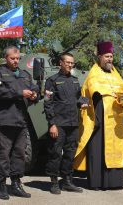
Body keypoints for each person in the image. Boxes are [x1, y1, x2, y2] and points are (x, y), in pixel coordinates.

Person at [74, 41, 123, 190]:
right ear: (100, 57)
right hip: (99, 118)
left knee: (115, 148)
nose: (110, 59)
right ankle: (97, 182)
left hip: (116, 118)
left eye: (111, 56)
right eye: (107, 56)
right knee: (97, 150)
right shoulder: (94, 74)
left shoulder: (116, 75)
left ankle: (114, 182)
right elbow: (88, 92)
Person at [0, 46, 39, 200]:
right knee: (3, 154)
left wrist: (35, 94)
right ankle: (2, 185)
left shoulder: (24, 74)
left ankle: (16, 184)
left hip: (21, 121)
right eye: (13, 58)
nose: (16, 61)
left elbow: (34, 87)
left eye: (17, 58)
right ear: (6, 58)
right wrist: (19, 93)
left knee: (19, 154)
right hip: (3, 121)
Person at [44, 52, 88, 194]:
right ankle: (54, 182)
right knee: (55, 153)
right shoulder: (52, 80)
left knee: (70, 153)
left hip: (73, 124)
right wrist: (52, 123)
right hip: (59, 124)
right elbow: (48, 103)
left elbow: (79, 97)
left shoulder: (75, 80)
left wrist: (83, 103)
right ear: (60, 63)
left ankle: (67, 181)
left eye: (72, 63)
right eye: (68, 62)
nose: (70, 65)